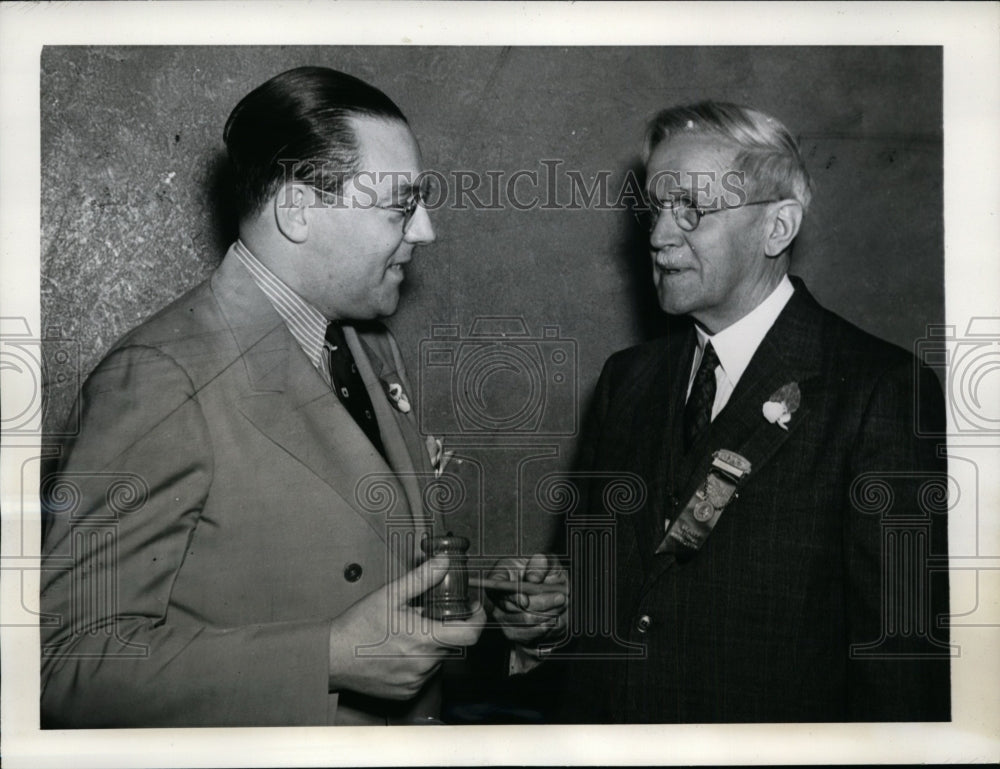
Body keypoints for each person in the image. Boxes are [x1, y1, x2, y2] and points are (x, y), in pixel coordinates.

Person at [39, 66, 488, 727]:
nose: (425, 231)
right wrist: (324, 658)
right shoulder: (161, 378)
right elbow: (60, 665)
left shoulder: (369, 345)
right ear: (298, 210)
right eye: (400, 205)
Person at [556, 101, 950, 722]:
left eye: (691, 208)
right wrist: (545, 620)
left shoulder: (880, 392)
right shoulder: (625, 382)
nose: (659, 235)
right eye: (654, 208)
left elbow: (900, 667)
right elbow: (602, 602)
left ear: (777, 228)